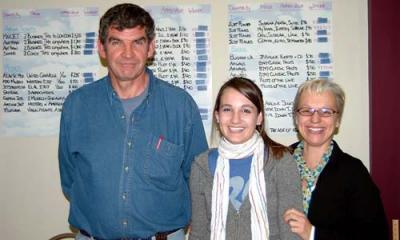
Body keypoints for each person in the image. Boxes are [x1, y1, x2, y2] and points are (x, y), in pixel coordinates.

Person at [58, 3, 208, 240]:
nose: (127, 54)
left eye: (137, 42)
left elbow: (200, 182)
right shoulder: (77, 106)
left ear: (151, 48)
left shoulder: (180, 106)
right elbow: (70, 179)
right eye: (117, 42)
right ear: (101, 48)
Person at [189, 77, 303, 240]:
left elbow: (291, 233)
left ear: (259, 118)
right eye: (227, 109)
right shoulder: (201, 166)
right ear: (217, 116)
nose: (236, 119)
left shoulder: (281, 162)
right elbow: (199, 233)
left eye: (246, 110)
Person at [284, 79, 388, 239]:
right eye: (306, 110)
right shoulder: (277, 162)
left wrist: (313, 234)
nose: (315, 119)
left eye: (326, 111)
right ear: (296, 118)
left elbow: (376, 235)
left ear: (337, 120)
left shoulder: (354, 173)